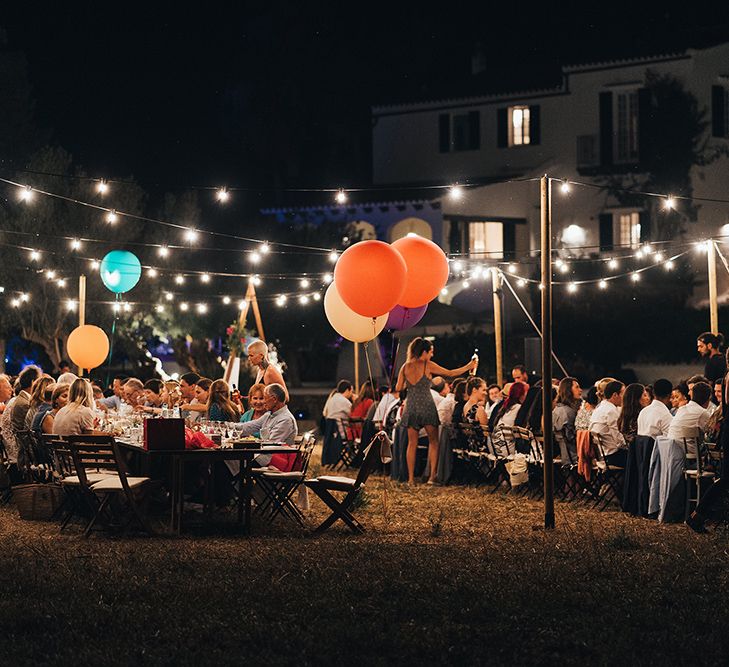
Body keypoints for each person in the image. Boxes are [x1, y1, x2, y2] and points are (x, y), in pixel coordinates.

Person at [395, 337, 476, 484]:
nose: (432, 355)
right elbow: (450, 373)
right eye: (431, 352)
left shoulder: (405, 367)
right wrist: (468, 366)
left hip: (411, 405)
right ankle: (432, 477)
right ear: (424, 352)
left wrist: (412, 385)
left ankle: (411, 479)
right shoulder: (427, 365)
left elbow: (398, 388)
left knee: (412, 443)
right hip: (426, 405)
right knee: (434, 442)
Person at [236, 383, 298, 466]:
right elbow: (247, 427)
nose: (263, 402)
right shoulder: (269, 415)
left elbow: (271, 445)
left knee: (231, 462)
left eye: (264, 398)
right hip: (262, 455)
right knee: (229, 461)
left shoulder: (285, 420)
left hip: (273, 461)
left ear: (274, 399)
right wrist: (223, 425)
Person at [667, 381, 712, 459]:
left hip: (672, 454)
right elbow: (712, 433)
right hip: (691, 458)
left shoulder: (681, 409)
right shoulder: (702, 413)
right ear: (708, 399)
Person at [589, 380, 627, 466]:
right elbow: (619, 441)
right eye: (623, 394)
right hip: (612, 456)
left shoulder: (599, 408)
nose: (625, 398)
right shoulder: (611, 411)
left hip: (602, 455)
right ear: (615, 395)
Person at [9, 365, 41, 441]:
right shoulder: (25, 403)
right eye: (39, 381)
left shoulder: (21, 398)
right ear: (33, 382)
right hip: (25, 449)